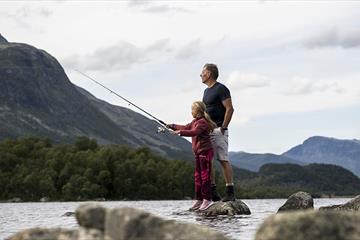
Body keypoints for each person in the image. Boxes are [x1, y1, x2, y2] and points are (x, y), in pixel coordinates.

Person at [167, 101, 217, 211]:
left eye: (192, 110)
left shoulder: (202, 122)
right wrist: (172, 126)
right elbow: (186, 127)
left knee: (204, 176)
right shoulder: (195, 121)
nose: (191, 112)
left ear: (197, 111)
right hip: (198, 153)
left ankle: (207, 199)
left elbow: (194, 132)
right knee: (197, 176)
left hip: (205, 152)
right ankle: (199, 199)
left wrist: (180, 132)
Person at [201, 63, 235, 202]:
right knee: (208, 161)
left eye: (202, 72)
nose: (200, 75)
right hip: (207, 131)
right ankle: (213, 192)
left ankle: (230, 192)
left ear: (209, 73)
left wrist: (223, 127)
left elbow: (230, 109)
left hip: (219, 129)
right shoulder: (205, 92)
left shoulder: (221, 88)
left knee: (223, 159)